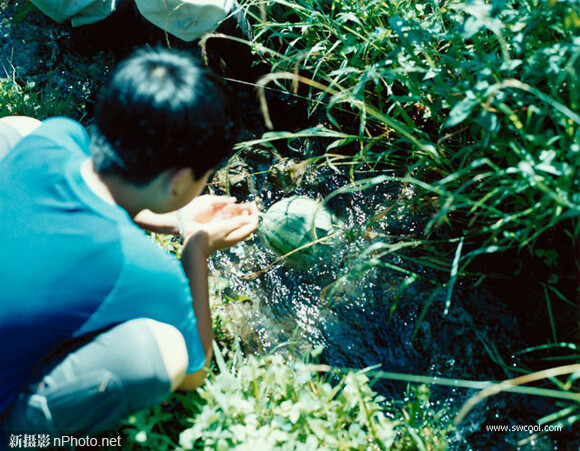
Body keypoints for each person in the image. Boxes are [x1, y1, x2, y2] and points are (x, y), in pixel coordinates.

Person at [0, 47, 259, 439]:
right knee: (165, 351)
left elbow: (99, 188)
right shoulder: (140, 269)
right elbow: (195, 369)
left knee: (19, 127)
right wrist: (195, 248)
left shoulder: (55, 137)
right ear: (178, 182)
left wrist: (171, 219)